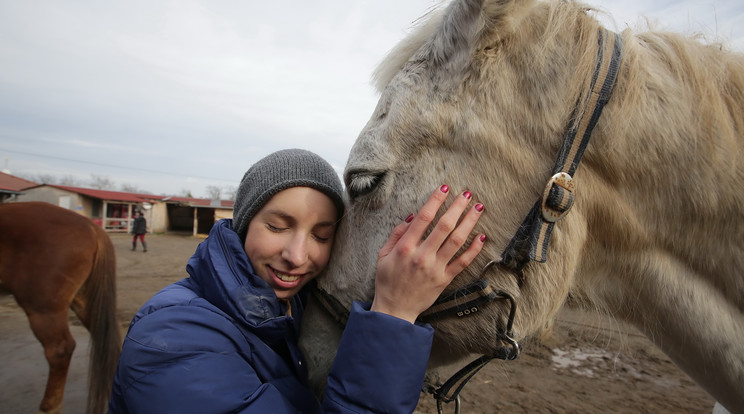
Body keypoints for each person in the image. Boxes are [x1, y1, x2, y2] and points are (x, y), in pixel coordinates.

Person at [108, 149, 486, 414]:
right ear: (242, 224)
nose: (297, 255)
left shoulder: (295, 304)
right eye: (276, 226)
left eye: (322, 236)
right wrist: (395, 312)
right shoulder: (173, 336)